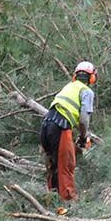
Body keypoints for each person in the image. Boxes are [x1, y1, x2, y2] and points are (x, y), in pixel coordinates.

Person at [39, 61, 97, 202]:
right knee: (66, 166)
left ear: (75, 76)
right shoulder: (87, 92)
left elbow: (68, 112)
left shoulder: (69, 87)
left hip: (46, 125)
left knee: (53, 166)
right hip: (60, 127)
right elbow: (83, 120)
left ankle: (52, 200)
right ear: (92, 78)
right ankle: (68, 202)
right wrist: (83, 137)